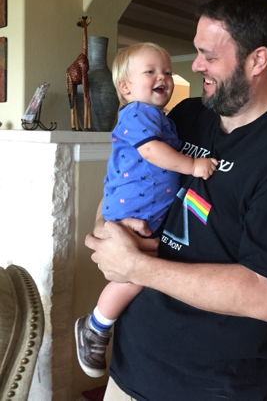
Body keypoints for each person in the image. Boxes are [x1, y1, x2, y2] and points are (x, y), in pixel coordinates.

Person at [86, 0, 267, 401]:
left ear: (257, 60)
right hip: (130, 373)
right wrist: (111, 231)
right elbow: (126, 176)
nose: (196, 65)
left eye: (209, 55)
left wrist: (134, 265)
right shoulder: (184, 116)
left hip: (220, 388)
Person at [75, 42, 217, 378]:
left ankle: (99, 323)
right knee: (132, 276)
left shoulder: (161, 117)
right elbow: (152, 151)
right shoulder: (138, 112)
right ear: (125, 88)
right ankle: (96, 326)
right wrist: (193, 166)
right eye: (150, 71)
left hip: (145, 213)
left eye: (166, 71)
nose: (162, 77)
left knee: (137, 273)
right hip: (134, 214)